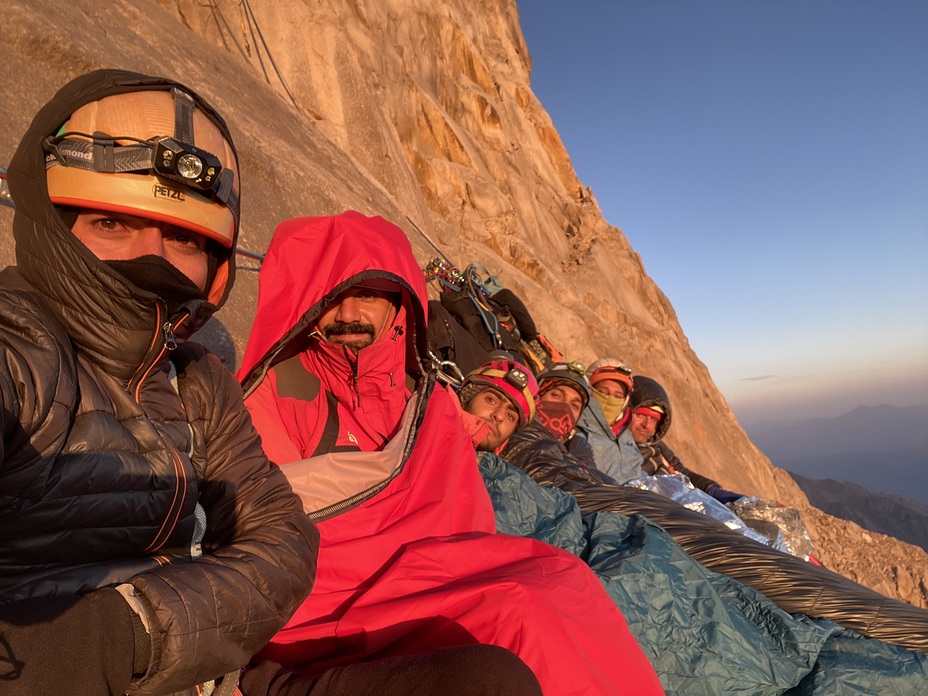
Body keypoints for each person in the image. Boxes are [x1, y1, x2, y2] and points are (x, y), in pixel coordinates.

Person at [237, 211, 665, 696]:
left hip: (430, 577)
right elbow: (282, 542)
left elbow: (467, 527)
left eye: (370, 294)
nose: (350, 312)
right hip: (343, 611)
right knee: (520, 614)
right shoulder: (276, 393)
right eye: (334, 296)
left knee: (568, 577)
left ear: (400, 303)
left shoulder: (427, 401)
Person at [0, 69, 318, 695]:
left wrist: (130, 631)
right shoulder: (18, 351)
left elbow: (283, 538)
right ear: (53, 224)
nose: (153, 256)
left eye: (182, 237)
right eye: (111, 225)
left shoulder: (201, 381)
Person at [627, 375, 744, 503]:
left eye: (654, 419)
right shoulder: (617, 453)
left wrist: (710, 489)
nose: (647, 425)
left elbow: (680, 471)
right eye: (641, 415)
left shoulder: (656, 446)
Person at [570, 358, 644, 483]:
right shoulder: (575, 426)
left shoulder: (626, 435)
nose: (610, 399)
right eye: (603, 392)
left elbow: (638, 473)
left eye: (618, 396)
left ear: (625, 400)